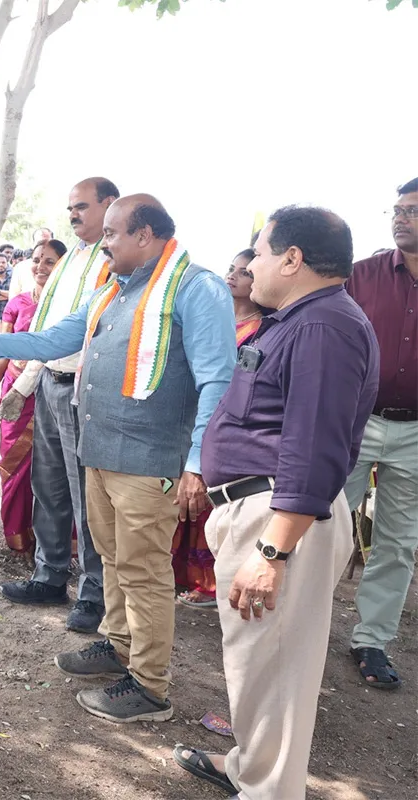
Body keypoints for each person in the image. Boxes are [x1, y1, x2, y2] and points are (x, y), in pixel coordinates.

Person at [0, 195, 235, 724]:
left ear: (145, 236)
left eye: (113, 234)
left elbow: (218, 379)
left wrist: (196, 463)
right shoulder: (113, 291)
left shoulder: (197, 287)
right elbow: (53, 340)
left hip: (150, 462)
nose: (103, 244)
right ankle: (118, 647)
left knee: (143, 572)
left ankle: (149, 687)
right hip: (100, 452)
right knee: (114, 559)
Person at [172, 206, 378, 800]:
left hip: (280, 520)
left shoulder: (322, 327)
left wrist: (273, 551)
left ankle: (268, 791)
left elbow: (313, 443)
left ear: (292, 259)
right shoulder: (300, 319)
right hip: (263, 512)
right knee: (257, 666)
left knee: (279, 673)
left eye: (259, 252)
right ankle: (250, 769)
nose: (252, 264)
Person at [0, 178, 120, 635]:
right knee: (47, 488)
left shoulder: (117, 263)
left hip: (83, 393)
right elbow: (48, 334)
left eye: (82, 207)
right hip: (49, 381)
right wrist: (25, 385)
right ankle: (49, 577)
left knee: (85, 496)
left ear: (110, 205)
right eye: (70, 208)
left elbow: (85, 337)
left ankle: (94, 595)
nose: (73, 215)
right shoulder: (70, 261)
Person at [342, 178, 418, 690]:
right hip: (355, 420)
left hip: (415, 434)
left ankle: (371, 640)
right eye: (397, 210)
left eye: (411, 210)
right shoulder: (359, 276)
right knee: (322, 521)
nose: (400, 218)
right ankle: (293, 623)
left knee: (397, 542)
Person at [172, 248, 264, 608]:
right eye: (231, 269)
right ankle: (177, 573)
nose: (233, 276)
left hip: (226, 421)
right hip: (192, 411)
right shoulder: (212, 313)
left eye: (244, 272)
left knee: (206, 499)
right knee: (179, 496)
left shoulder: (261, 327)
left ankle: (208, 582)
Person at [0, 239, 65, 556]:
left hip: (47, 392)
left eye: (49, 261)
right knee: (11, 467)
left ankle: (50, 545)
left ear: (62, 266)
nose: (40, 267)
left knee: (48, 471)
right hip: (13, 391)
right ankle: (17, 538)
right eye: (36, 260)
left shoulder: (66, 306)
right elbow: (3, 352)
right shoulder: (17, 303)